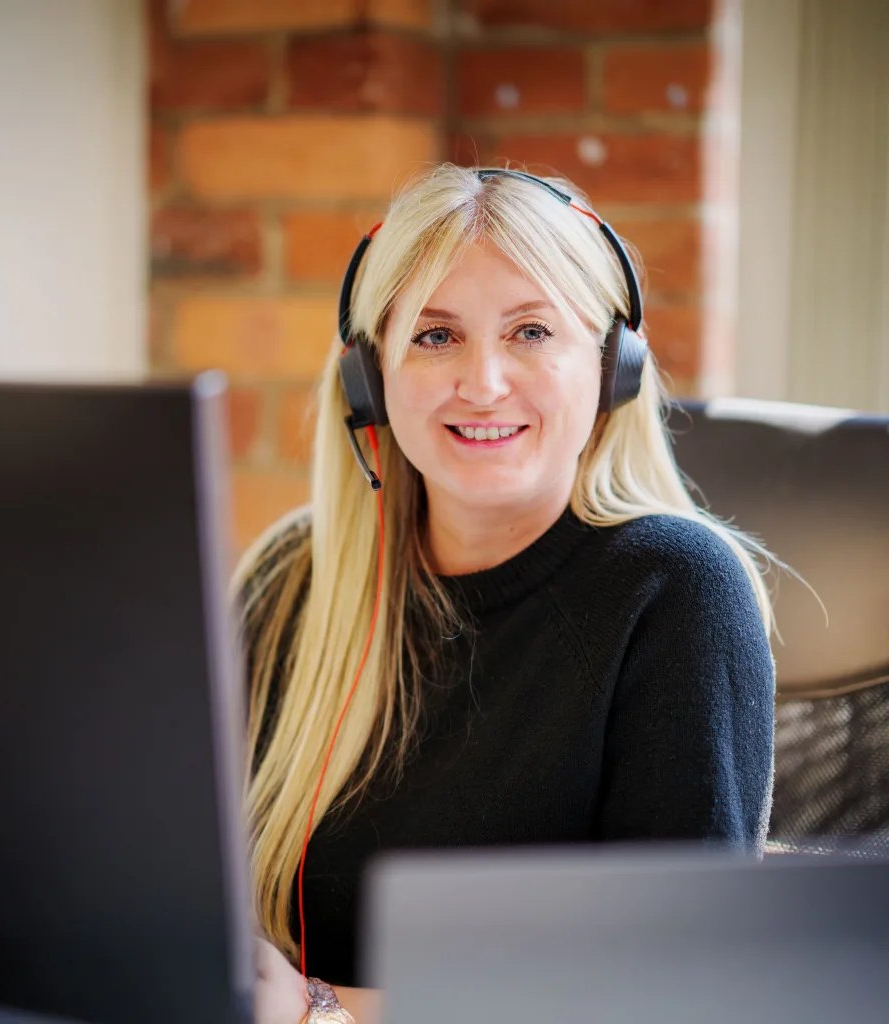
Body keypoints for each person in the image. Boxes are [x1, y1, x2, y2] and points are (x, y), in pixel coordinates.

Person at [239, 164, 776, 1024]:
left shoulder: (673, 591)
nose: (483, 383)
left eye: (531, 331)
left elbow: (680, 988)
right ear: (368, 378)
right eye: (436, 337)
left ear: (612, 367)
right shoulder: (290, 582)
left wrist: (324, 1010)